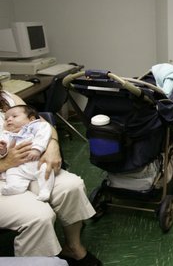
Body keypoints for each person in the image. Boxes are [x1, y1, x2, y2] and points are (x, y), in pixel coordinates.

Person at [0, 84, 102, 265]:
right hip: (6, 176)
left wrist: (53, 145)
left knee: (71, 186)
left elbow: (41, 124)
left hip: (29, 165)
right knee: (40, 216)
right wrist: (5, 163)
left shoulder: (7, 97)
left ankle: (73, 248)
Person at [0, 105, 54, 201]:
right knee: (11, 173)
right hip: (18, 167)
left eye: (14, 116)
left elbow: (44, 134)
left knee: (45, 168)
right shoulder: (6, 134)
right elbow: (5, 153)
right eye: (6, 119)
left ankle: (45, 190)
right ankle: (15, 187)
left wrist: (37, 149)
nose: (8, 120)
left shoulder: (36, 126)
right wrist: (3, 149)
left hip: (37, 161)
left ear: (31, 119)